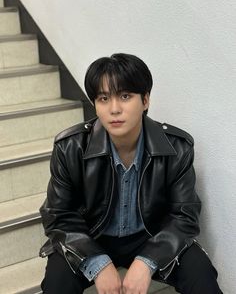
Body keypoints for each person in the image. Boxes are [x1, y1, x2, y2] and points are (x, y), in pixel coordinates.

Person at [39, 53, 222, 294]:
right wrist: (98, 263)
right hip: (91, 236)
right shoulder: (70, 147)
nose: (114, 109)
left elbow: (184, 215)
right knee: (57, 282)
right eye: (104, 98)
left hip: (151, 236)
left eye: (125, 96)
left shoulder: (177, 147)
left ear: (145, 100)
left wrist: (147, 261)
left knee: (201, 273)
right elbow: (58, 215)